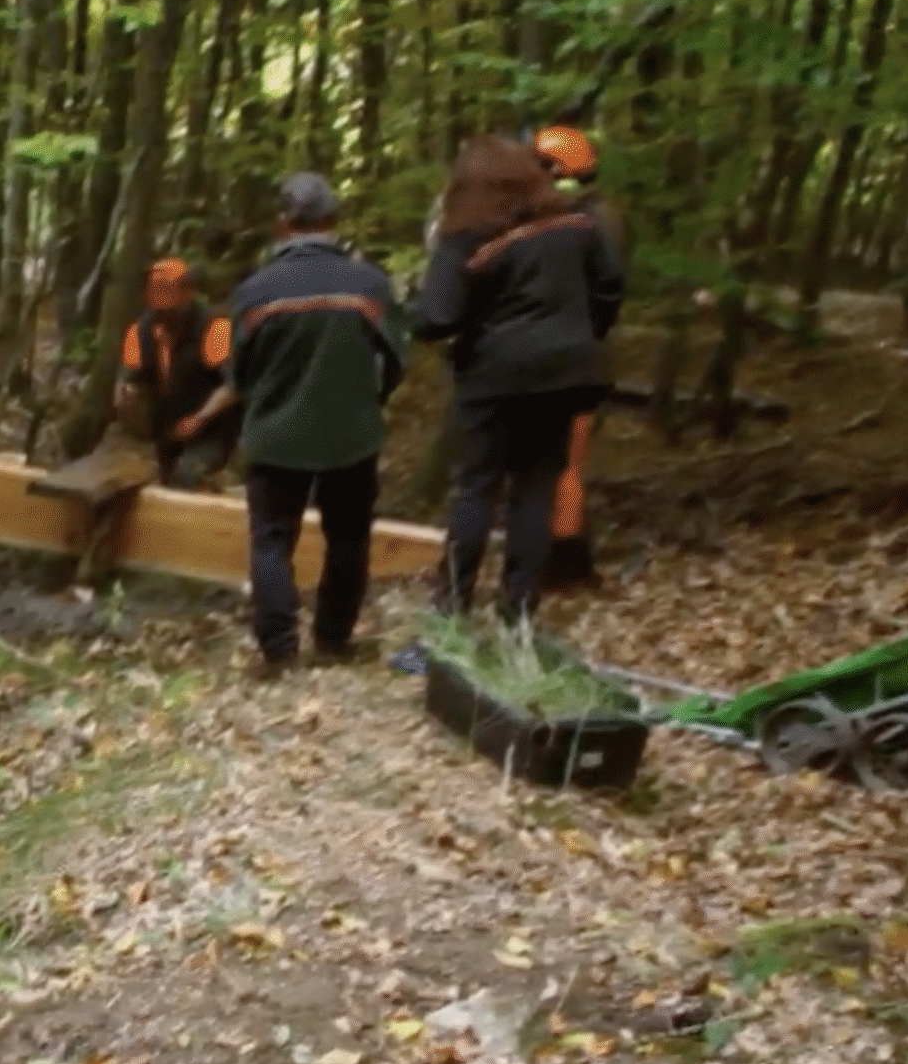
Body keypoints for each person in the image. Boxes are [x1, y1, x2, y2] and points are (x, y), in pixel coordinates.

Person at [174, 173, 407, 679]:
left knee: (272, 541)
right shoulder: (369, 283)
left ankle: (280, 653)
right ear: (333, 221)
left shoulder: (255, 292)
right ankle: (333, 640)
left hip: (276, 434)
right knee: (348, 536)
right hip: (352, 435)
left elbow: (237, 373)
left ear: (282, 224)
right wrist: (366, 404)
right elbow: (394, 361)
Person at [413, 135, 625, 634]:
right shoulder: (579, 225)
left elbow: (437, 317)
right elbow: (610, 289)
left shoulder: (465, 234)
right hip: (568, 373)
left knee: (477, 490)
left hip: (494, 377)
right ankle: (519, 616)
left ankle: (451, 611)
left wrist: (415, 306)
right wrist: (577, 333)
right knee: (536, 490)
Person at [532, 125, 625, 592]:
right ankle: (564, 557)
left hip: (571, 352)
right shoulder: (596, 216)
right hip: (581, 348)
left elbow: (607, 289)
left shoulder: (585, 223)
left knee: (563, 462)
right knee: (565, 462)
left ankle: (565, 563)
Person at [112, 258, 238, 489]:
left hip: (211, 430)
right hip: (166, 428)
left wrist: (198, 419)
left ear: (189, 293)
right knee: (168, 483)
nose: (163, 312)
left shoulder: (214, 327)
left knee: (187, 475)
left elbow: (233, 386)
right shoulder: (140, 330)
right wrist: (126, 394)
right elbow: (128, 376)